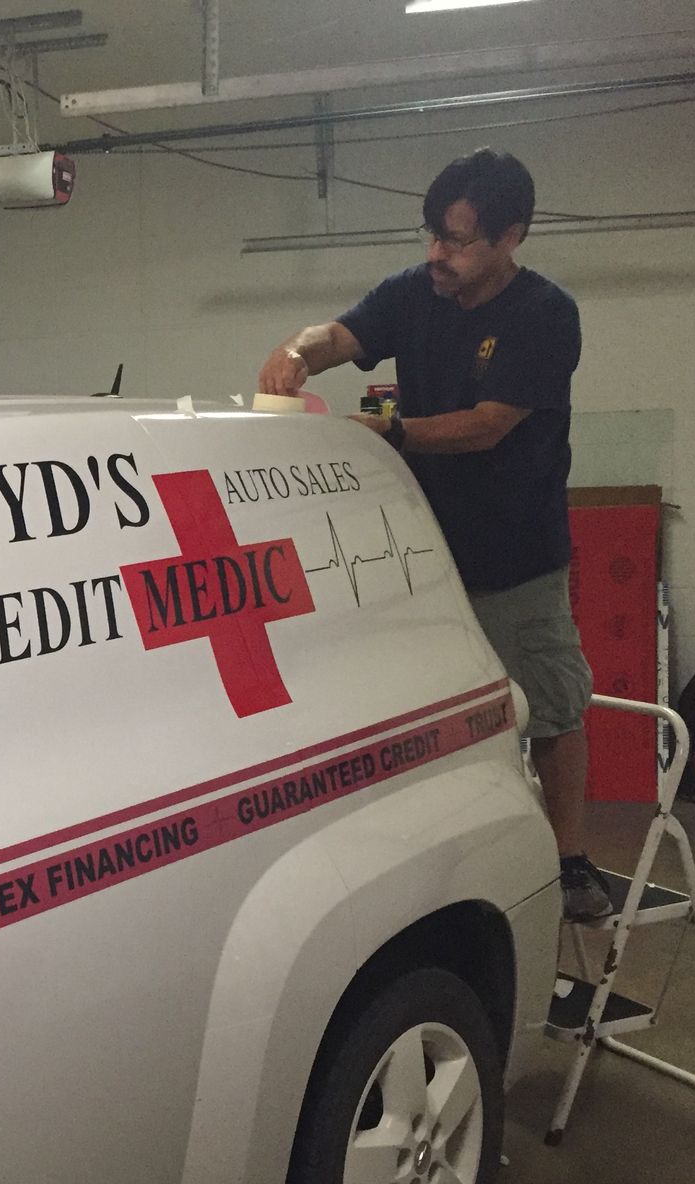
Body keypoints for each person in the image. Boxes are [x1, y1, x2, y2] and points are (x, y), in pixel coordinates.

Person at [257, 148, 611, 921]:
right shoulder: (414, 295)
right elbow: (339, 334)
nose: (436, 255)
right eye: (430, 235)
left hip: (515, 556)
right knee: (435, 714)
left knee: (548, 708)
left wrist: (389, 433)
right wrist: (297, 353)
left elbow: (488, 427)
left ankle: (570, 858)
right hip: (424, 556)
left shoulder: (544, 315)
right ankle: (455, 853)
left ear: (510, 236)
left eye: (456, 241)